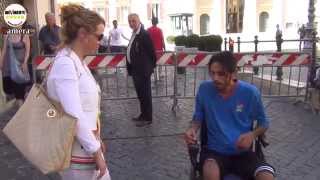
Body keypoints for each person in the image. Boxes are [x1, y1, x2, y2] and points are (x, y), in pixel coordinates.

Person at [184, 51, 275, 180]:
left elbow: (264, 122)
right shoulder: (204, 89)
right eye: (212, 73)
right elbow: (197, 118)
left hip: (243, 154)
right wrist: (192, 129)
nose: (215, 78)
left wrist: (252, 135)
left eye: (221, 73)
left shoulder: (250, 93)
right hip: (214, 153)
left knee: (266, 177)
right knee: (210, 173)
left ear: (233, 73)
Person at [46, 4, 110, 180]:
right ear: (83, 34)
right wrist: (95, 150)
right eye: (99, 36)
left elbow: (86, 109)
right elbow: (73, 114)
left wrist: (96, 139)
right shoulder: (66, 63)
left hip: (85, 148)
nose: (101, 41)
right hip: (78, 156)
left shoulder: (77, 61)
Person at [127, 13, 157, 127]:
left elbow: (152, 54)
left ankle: (148, 118)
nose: (131, 23)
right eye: (129, 21)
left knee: (146, 95)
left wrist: (149, 69)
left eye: (133, 21)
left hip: (143, 72)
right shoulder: (135, 33)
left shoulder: (144, 34)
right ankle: (143, 115)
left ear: (139, 20)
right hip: (135, 71)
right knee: (141, 95)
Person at [0, 29, 31, 106]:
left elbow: (28, 50)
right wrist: (1, 63)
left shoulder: (24, 35)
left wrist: (25, 62)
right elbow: (3, 50)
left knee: (19, 92)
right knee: (9, 90)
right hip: (8, 68)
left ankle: (22, 110)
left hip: (20, 67)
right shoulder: (7, 35)